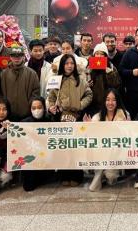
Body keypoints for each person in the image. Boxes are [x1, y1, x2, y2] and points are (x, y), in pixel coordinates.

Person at [47, 54, 93, 186]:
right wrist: (51, 107)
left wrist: (80, 105)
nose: (69, 66)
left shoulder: (81, 80)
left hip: (76, 118)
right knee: (63, 147)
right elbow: (51, 97)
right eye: (67, 63)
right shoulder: (56, 80)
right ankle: (64, 176)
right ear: (62, 65)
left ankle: (76, 176)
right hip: (61, 118)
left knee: (74, 147)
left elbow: (89, 94)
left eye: (72, 63)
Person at [88, 89, 130, 191]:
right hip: (100, 155)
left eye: (113, 100)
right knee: (93, 188)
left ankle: (106, 174)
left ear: (117, 101)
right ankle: (99, 172)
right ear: (104, 101)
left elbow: (127, 136)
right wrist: (89, 127)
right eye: (108, 100)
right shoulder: (97, 117)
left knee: (111, 179)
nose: (110, 103)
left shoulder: (124, 114)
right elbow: (92, 137)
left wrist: (128, 126)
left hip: (116, 155)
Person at [1, 45, 40, 120]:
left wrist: (29, 108)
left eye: (19, 56)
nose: (16, 58)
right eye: (14, 56)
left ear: (23, 57)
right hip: (8, 114)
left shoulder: (32, 73)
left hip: (27, 115)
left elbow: (35, 93)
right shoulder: (4, 74)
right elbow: (1, 93)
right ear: (10, 57)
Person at [21, 97, 52, 191]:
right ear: (30, 109)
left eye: (39, 107)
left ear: (44, 108)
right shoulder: (23, 123)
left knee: (47, 180)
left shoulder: (49, 121)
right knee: (28, 187)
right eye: (33, 108)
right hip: (30, 159)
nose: (37, 110)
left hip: (45, 157)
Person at [84, 42, 121, 116]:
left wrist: (110, 74)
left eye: (102, 54)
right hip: (91, 103)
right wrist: (86, 83)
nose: (99, 56)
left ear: (105, 56)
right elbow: (81, 86)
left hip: (106, 103)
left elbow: (117, 85)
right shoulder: (88, 68)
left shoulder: (111, 67)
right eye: (97, 54)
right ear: (94, 55)